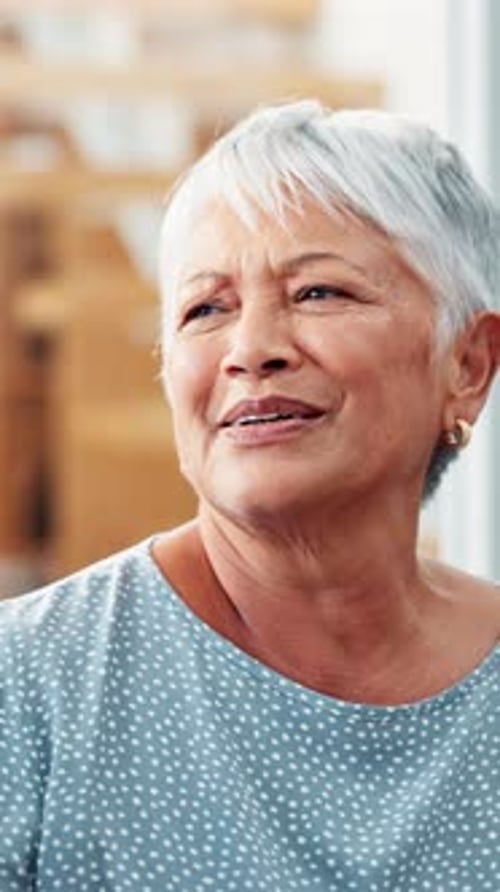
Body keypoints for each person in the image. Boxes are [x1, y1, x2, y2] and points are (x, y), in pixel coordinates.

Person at [1, 99, 500, 891]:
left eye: (319, 294)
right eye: (207, 309)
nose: (252, 350)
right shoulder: (27, 685)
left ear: (468, 364)